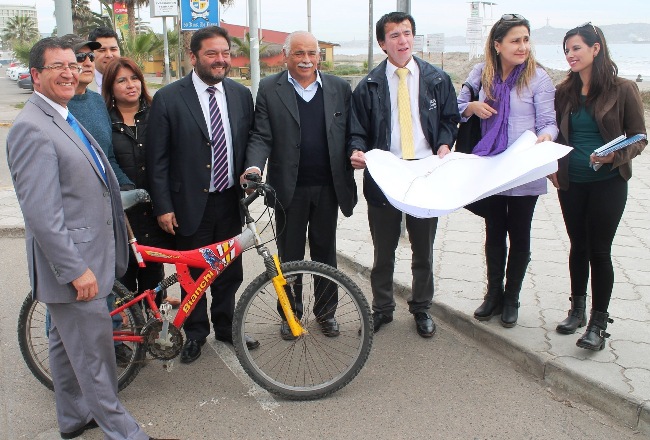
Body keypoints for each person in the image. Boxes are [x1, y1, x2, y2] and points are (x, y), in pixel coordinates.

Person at [6, 37, 168, 440]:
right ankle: (125, 432)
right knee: (95, 357)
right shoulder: (32, 128)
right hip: (76, 264)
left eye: (73, 64)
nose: (68, 72)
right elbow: (42, 216)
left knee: (64, 349)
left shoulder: (61, 115)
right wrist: (76, 270)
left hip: (91, 255)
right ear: (35, 76)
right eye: (56, 66)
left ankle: (74, 418)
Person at [146, 26, 258, 364]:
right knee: (192, 275)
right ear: (193, 57)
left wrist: (252, 172)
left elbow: (249, 141)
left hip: (229, 201)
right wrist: (163, 206)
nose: (220, 59)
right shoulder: (169, 97)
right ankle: (195, 333)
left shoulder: (240, 94)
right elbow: (157, 160)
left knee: (229, 271)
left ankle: (226, 327)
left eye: (225, 53)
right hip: (189, 205)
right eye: (212, 53)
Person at [348, 12, 460, 338]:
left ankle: (422, 308)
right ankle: (382, 309)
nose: (402, 40)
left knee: (423, 250)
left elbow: (450, 120)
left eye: (407, 33)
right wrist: (356, 150)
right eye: (394, 35)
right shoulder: (368, 86)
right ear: (383, 44)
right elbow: (357, 130)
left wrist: (444, 143)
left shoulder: (438, 79)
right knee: (383, 251)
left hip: (424, 174)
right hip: (386, 175)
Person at [241, 31, 357, 339]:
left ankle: (326, 312)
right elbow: (262, 136)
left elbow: (349, 133)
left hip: (329, 187)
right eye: (298, 53)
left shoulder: (339, 88)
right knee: (289, 254)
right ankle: (290, 315)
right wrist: (254, 167)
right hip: (288, 189)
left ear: (319, 55)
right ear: (285, 55)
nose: (306, 59)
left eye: (311, 53)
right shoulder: (269, 88)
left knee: (325, 252)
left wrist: (355, 151)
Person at [457, 14, 558, 328]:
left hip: (524, 170)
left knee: (520, 234)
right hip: (492, 168)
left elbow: (549, 123)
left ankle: (512, 296)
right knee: (494, 232)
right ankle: (493, 295)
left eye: (526, 39)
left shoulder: (538, 78)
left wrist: (547, 137)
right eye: (516, 40)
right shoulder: (480, 73)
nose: (522, 46)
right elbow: (458, 106)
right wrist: (472, 107)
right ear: (497, 45)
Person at [549, 23, 647, 350]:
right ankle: (576, 310)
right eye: (566, 50)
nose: (570, 55)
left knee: (599, 250)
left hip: (608, 183)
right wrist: (552, 167)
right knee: (578, 244)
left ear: (596, 48)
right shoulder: (564, 91)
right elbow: (559, 136)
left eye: (576, 48)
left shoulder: (623, 89)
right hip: (571, 182)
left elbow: (639, 136)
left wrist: (613, 156)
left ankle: (598, 324)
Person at [103, 57, 178, 308]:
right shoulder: (104, 122)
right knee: (123, 281)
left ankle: (153, 332)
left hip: (154, 211)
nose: (130, 85)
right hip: (121, 215)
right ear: (111, 87)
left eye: (134, 78)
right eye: (121, 80)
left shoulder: (158, 113)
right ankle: (128, 337)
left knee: (153, 278)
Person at [61, 34, 134, 189]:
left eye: (91, 57)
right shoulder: (56, 106)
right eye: (80, 57)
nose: (88, 63)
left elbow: (108, 157)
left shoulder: (97, 101)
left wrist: (126, 187)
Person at [88, 26, 120, 91]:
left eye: (113, 49)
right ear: (90, 53)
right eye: (102, 50)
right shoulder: (83, 87)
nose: (109, 55)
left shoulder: (133, 83)